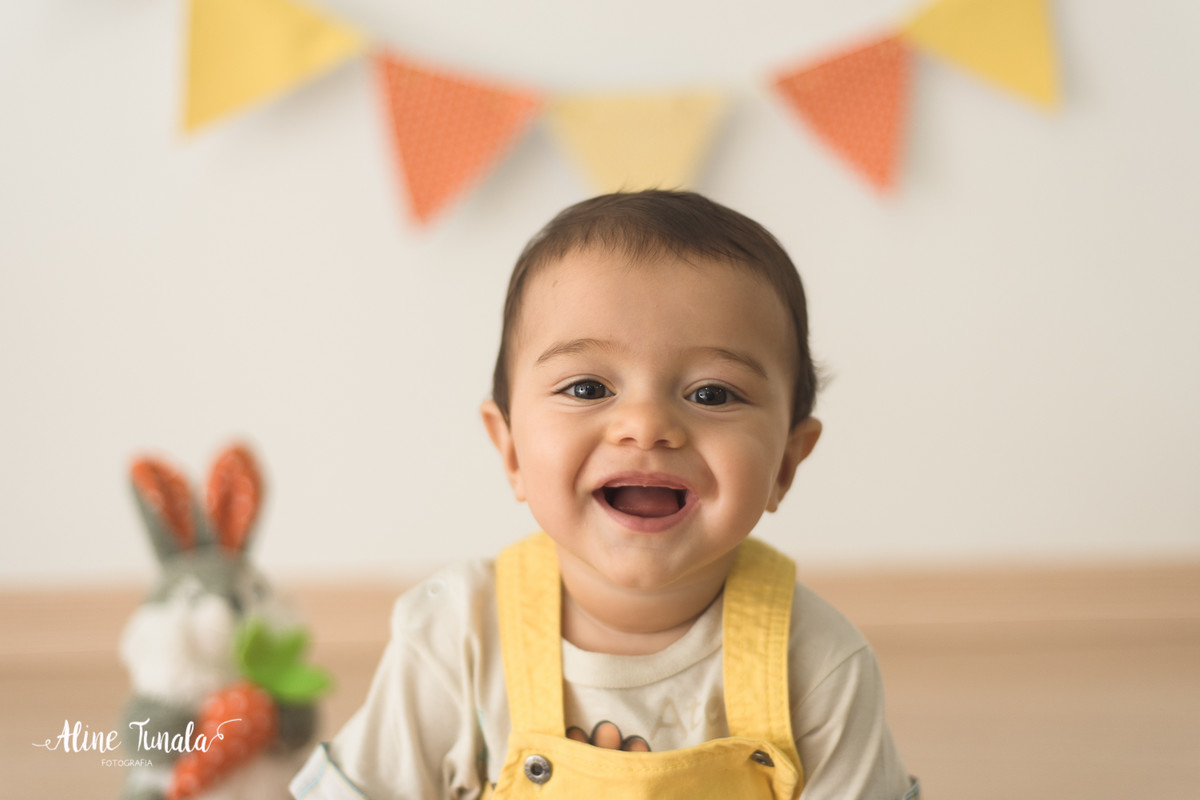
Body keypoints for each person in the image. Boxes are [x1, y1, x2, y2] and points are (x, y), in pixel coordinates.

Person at [290, 190, 919, 799]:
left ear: (785, 462)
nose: (645, 426)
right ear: (509, 450)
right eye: (589, 388)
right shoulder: (458, 639)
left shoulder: (818, 666)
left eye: (711, 394)